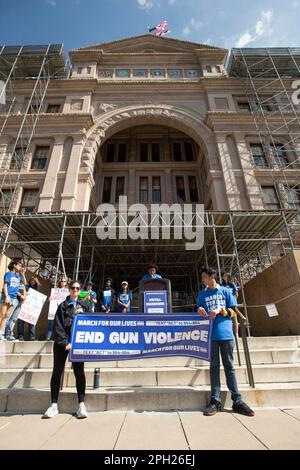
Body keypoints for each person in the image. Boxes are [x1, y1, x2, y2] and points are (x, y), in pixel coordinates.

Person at [197, 266, 254, 417]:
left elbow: (234, 311)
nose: (202, 280)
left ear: (212, 277)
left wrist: (221, 310)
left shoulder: (225, 291)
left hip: (226, 335)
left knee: (229, 367)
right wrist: (199, 310)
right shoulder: (202, 294)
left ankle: (237, 401)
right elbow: (199, 308)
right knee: (214, 367)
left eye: (204, 277)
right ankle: (215, 401)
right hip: (210, 335)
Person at [43, 280, 89, 419]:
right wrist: (65, 343)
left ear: (80, 290)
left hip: (77, 345)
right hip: (62, 344)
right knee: (57, 372)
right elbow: (57, 326)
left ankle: (81, 404)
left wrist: (83, 314)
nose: (75, 290)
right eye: (72, 288)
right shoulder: (62, 306)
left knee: (79, 373)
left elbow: (91, 325)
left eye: (77, 288)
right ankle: (54, 405)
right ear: (69, 290)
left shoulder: (85, 306)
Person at [0, 259, 26, 341]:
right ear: (14, 265)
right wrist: (7, 296)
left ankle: (2, 334)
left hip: (14, 298)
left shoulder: (18, 276)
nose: (20, 266)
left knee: (7, 316)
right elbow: (5, 285)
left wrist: (23, 274)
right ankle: (1, 333)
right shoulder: (9, 274)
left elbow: (25, 284)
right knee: (2, 315)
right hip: (7, 296)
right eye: (19, 265)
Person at [18, 276, 40, 341]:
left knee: (32, 322)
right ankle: (20, 335)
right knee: (21, 322)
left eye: (34, 281)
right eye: (31, 280)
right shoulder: (27, 286)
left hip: (32, 308)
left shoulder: (36, 288)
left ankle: (32, 336)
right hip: (24, 306)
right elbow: (25, 283)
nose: (32, 281)